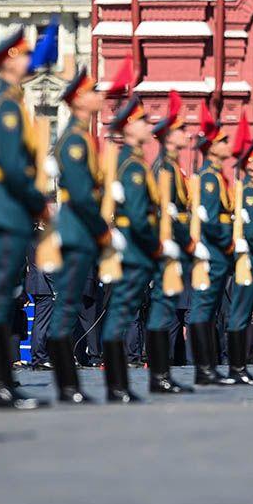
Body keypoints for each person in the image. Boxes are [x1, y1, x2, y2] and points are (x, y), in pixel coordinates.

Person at [0, 28, 48, 410]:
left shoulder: (12, 101)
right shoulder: (6, 105)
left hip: (11, 206)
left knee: (4, 299)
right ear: (7, 60)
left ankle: (2, 381)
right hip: (7, 204)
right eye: (23, 55)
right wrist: (40, 203)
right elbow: (15, 165)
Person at [47, 68, 118, 403]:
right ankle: (66, 384)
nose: (99, 97)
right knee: (67, 307)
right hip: (77, 231)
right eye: (93, 92)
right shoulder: (75, 141)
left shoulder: (83, 138)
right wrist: (103, 231)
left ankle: (68, 383)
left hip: (81, 231)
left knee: (71, 303)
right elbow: (80, 192)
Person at [101, 94, 158, 403]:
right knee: (122, 312)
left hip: (134, 244)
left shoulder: (134, 162)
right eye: (143, 121)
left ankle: (118, 383)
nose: (149, 126)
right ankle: (116, 384)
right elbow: (138, 214)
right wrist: (156, 246)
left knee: (123, 312)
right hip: (134, 245)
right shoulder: (132, 166)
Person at [147, 90, 194, 394]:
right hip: (165, 251)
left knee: (170, 313)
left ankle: (165, 372)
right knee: (164, 313)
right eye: (180, 131)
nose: (186, 136)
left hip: (174, 251)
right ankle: (159, 372)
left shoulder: (173, 169)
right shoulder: (164, 169)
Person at [188, 103, 236, 386]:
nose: (226, 145)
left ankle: (208, 367)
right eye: (221, 141)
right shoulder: (208, 178)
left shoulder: (217, 176)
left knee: (211, 308)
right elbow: (208, 217)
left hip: (218, 251)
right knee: (204, 309)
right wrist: (226, 243)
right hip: (213, 249)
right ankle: (203, 367)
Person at [224, 117, 253, 385]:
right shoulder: (250, 192)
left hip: (251, 259)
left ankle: (238, 368)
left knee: (240, 313)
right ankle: (236, 368)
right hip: (249, 260)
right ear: (250, 164)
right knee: (240, 314)